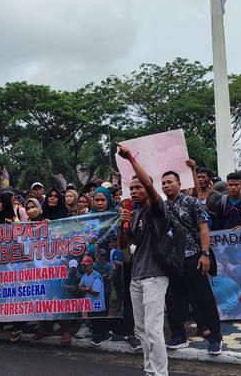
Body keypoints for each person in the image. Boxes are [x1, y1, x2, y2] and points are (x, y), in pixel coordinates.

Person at [117, 144, 169, 376]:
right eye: (132, 188)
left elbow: (149, 182)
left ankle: (160, 373)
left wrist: (130, 159)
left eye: (138, 187)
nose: (135, 191)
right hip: (136, 277)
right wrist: (123, 222)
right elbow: (123, 245)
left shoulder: (158, 209)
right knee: (141, 329)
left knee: (153, 329)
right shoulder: (135, 213)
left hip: (155, 276)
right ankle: (149, 369)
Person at [162, 166, 222, 355]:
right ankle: (178, 335)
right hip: (172, 260)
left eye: (169, 182)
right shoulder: (161, 207)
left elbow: (203, 227)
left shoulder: (192, 202)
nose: (166, 186)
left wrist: (204, 254)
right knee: (174, 299)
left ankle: (215, 337)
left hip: (194, 256)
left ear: (179, 184)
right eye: (163, 183)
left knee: (203, 297)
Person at [79, 256, 110, 346]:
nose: (84, 267)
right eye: (83, 265)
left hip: (98, 303)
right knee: (94, 322)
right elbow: (80, 287)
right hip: (90, 302)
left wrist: (86, 289)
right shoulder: (85, 276)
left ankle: (103, 336)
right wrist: (88, 288)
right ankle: (100, 335)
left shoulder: (96, 276)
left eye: (86, 265)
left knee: (99, 321)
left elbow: (95, 292)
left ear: (91, 265)